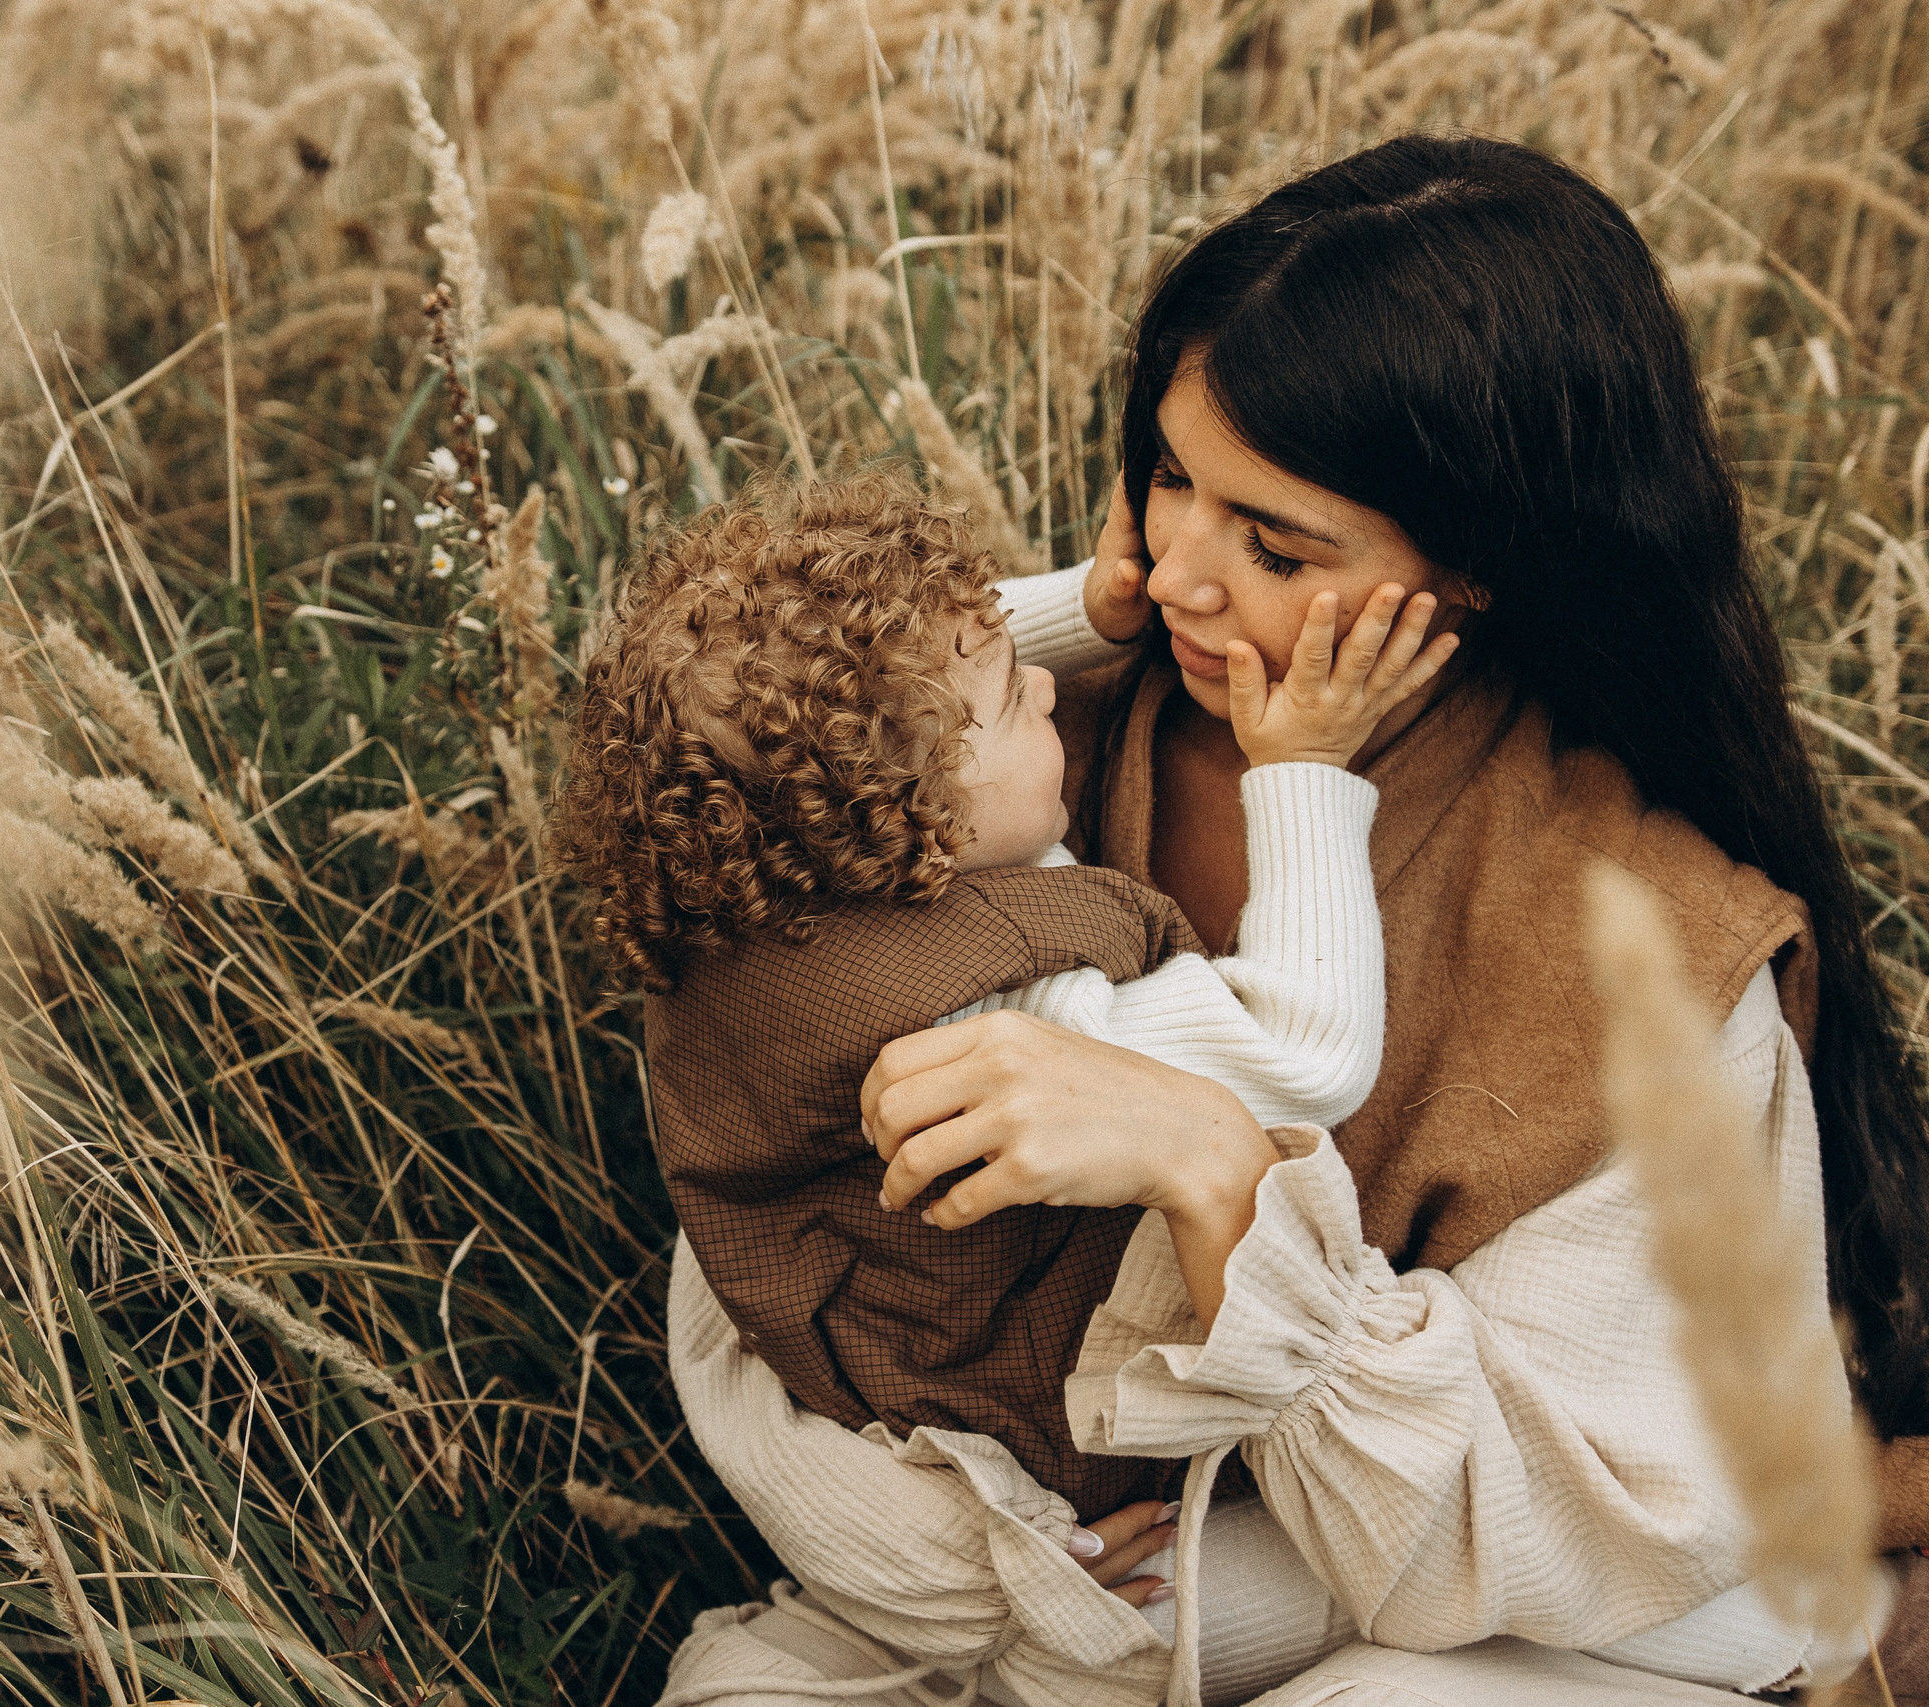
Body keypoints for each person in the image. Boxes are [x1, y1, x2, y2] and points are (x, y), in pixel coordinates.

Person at [656, 133, 1929, 1707]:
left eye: (1273, 545)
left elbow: (1588, 1526)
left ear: (1476, 579)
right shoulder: (1012, 752)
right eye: (1171, 473)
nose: (1173, 570)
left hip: (1472, 1605)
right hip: (1040, 1547)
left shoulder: (1641, 945)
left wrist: (1214, 1168)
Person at [554, 473, 1453, 1515]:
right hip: (1032, 1423)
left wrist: (1088, 606)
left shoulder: (752, 872)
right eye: (1012, 685)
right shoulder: (996, 1002)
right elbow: (1303, 1053)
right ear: (898, 800)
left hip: (852, 1339)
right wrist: (1305, 767)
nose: (1048, 687)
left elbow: (873, 681)